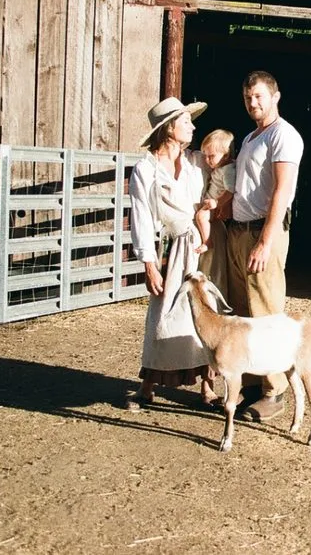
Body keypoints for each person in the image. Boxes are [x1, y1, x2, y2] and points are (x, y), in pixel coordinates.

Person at [126, 97, 219, 411]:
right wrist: (149, 264)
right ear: (168, 129)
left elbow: (224, 173)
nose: (192, 127)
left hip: (200, 244)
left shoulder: (196, 162)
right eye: (185, 122)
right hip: (171, 246)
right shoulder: (146, 169)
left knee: (206, 311)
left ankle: (208, 387)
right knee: (164, 312)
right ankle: (147, 386)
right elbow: (140, 216)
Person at [225, 70, 304, 422]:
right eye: (247, 97)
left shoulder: (283, 135)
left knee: (266, 312)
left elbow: (282, 191)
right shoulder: (250, 137)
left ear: (275, 96)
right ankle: (252, 383)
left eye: (258, 96)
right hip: (239, 231)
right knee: (243, 312)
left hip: (262, 233)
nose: (252, 102)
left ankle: (275, 391)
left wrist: (265, 241)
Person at [194, 129, 236, 297]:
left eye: (211, 156)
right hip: (212, 203)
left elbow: (230, 190)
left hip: (215, 205)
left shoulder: (228, 170)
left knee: (200, 216)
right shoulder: (220, 169)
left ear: (225, 155)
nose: (207, 160)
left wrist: (217, 203)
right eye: (205, 156)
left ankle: (207, 241)